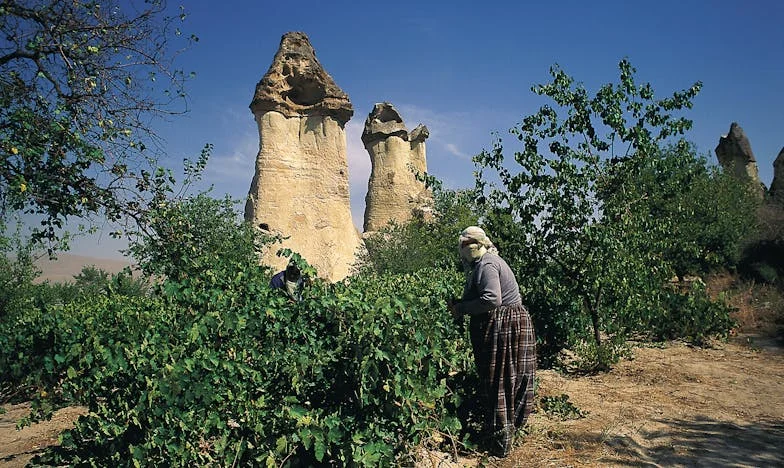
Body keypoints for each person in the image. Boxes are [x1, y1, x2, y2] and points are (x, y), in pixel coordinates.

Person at [448, 226, 536, 457]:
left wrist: (461, 309)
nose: (464, 251)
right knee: (509, 377)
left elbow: (492, 299)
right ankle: (507, 434)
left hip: (505, 324)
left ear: (475, 245)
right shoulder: (484, 263)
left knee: (500, 378)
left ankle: (500, 442)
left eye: (466, 246)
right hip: (510, 322)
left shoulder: (487, 264)